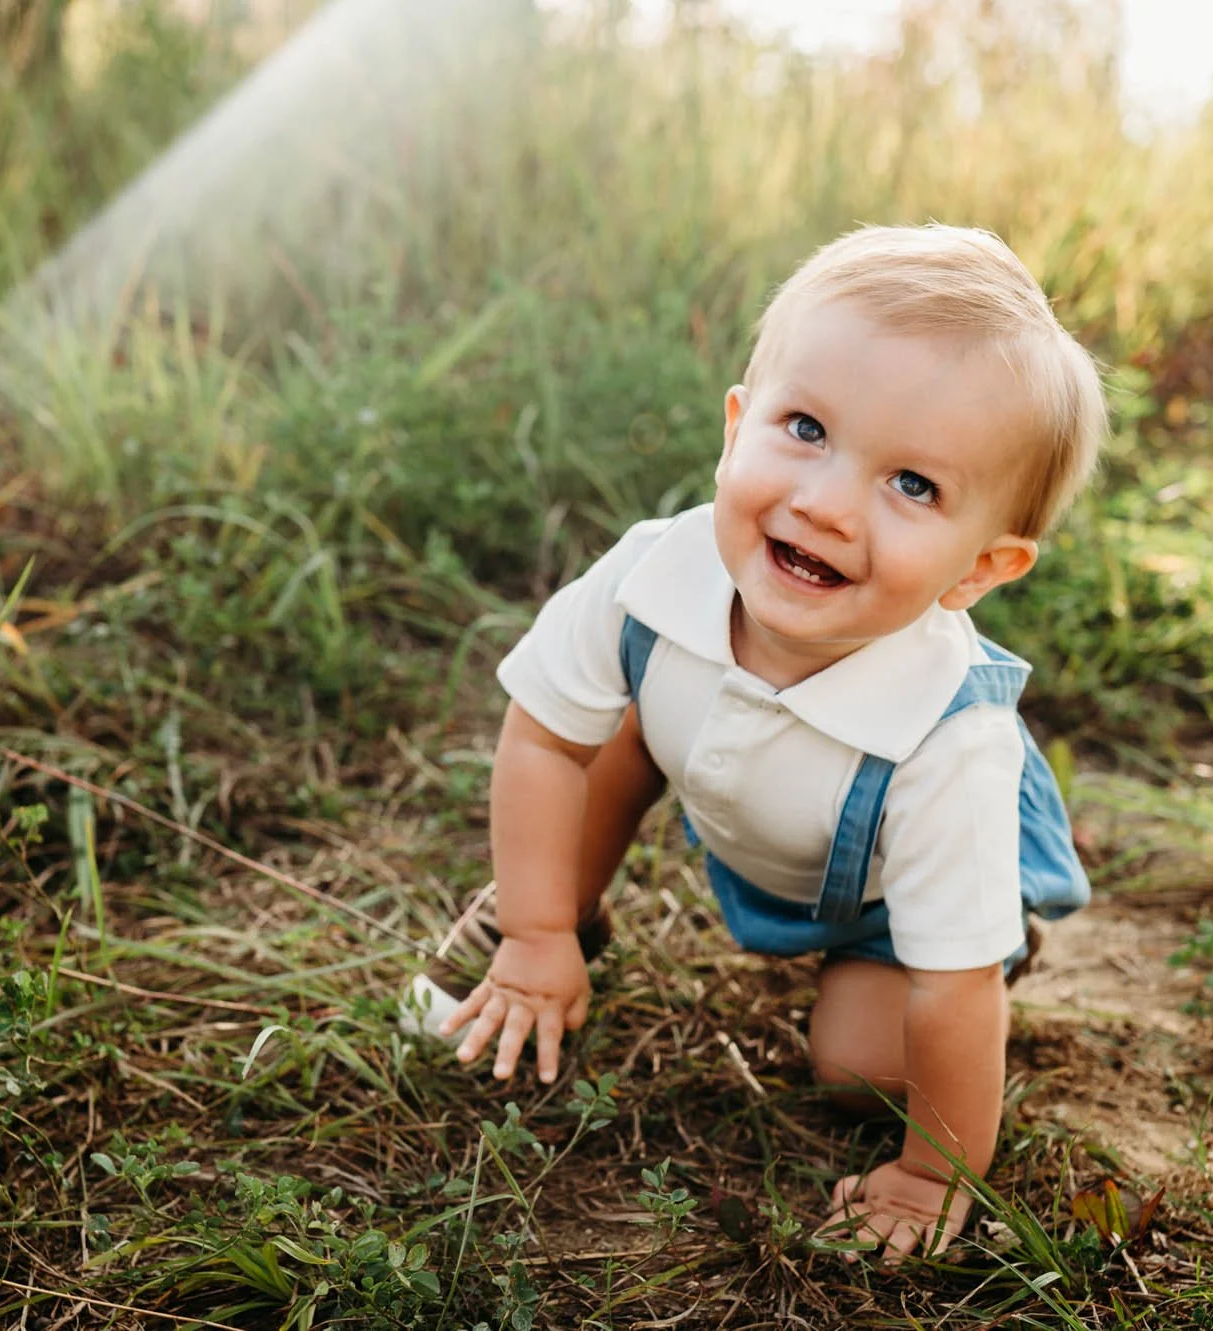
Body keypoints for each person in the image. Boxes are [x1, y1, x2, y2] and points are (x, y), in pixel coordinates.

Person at [410, 223, 1105, 1261]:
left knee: (856, 1063)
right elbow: (543, 736)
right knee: (624, 723)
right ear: (737, 426)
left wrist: (931, 1172)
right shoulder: (656, 573)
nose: (821, 501)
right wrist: (535, 928)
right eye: (805, 427)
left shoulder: (946, 746)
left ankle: (989, 923)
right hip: (723, 764)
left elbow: (946, 997)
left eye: (912, 485)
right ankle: (555, 922)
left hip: (877, 891)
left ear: (978, 568)